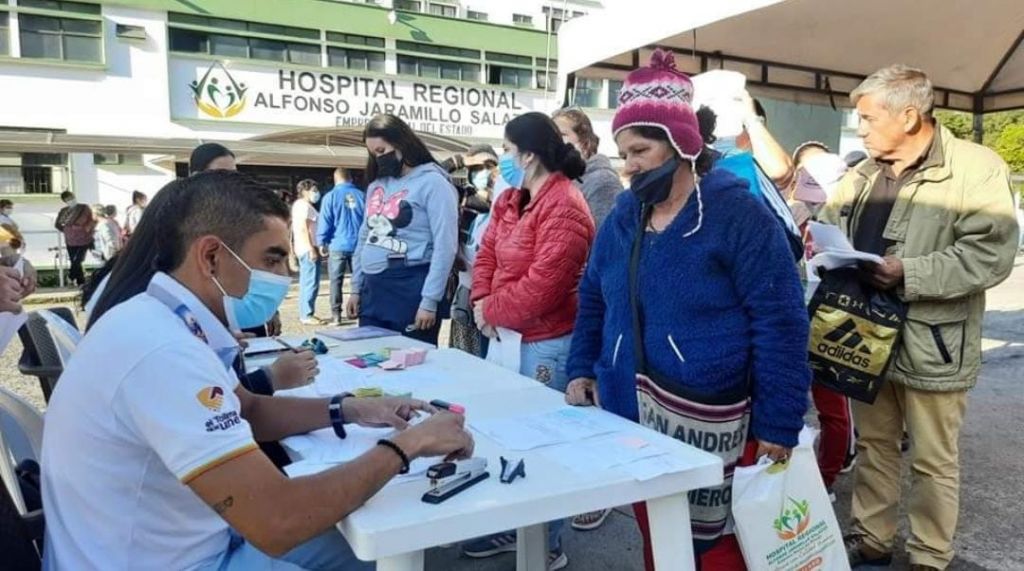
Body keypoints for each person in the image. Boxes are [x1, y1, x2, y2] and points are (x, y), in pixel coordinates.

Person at [40, 170, 474, 570]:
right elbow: (277, 520)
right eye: (271, 260)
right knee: (386, 543)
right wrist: (409, 445)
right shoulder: (163, 351)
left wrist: (352, 409)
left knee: (378, 542)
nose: (284, 275)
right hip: (177, 561)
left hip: (175, 543)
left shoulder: (158, 317)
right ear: (210, 257)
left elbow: (246, 409)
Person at [564, 50, 810, 570]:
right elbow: (593, 294)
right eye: (623, 152)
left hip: (712, 419)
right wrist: (583, 366)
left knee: (717, 546)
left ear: (681, 144)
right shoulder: (626, 215)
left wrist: (779, 421)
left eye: (640, 150)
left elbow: (781, 322)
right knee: (658, 532)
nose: (628, 165)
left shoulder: (738, 216)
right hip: (631, 409)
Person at [818, 65, 1019, 571]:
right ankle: (872, 541)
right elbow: (828, 221)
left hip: (935, 342)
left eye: (866, 118)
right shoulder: (863, 171)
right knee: (876, 445)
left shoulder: (976, 168)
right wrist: (823, 243)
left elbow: (990, 254)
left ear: (908, 116)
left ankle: (930, 557)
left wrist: (909, 271)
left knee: (933, 460)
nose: (859, 129)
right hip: (863, 332)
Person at [461, 112, 594, 569]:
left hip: (545, 341)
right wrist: (483, 302)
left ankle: (548, 544)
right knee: (504, 431)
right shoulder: (512, 199)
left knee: (539, 444)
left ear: (529, 154)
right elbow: (486, 255)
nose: (502, 158)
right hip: (504, 333)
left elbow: (546, 284)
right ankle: (509, 528)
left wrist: (491, 310)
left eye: (506, 148)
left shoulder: (566, 206)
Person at [347, 114, 458, 345]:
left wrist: (429, 301)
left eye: (381, 150)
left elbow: (445, 246)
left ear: (401, 143)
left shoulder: (434, 183)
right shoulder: (377, 185)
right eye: (373, 154)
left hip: (410, 286)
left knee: (411, 368)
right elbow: (364, 238)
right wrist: (356, 289)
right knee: (369, 361)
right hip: (373, 290)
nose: (378, 158)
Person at [449, 144, 504, 358]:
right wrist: (457, 161)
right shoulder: (466, 203)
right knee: (463, 359)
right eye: (474, 168)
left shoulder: (503, 207)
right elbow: (436, 175)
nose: (479, 172)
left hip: (489, 298)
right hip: (465, 292)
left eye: (486, 166)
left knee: (485, 356)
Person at [552, 108, 623, 229]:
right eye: (551, 136)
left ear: (584, 142)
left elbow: (606, 237)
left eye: (562, 135)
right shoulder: (561, 180)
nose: (554, 141)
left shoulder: (603, 182)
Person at [316, 168, 365, 326]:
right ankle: (359, 312)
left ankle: (336, 315)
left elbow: (325, 221)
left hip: (337, 244)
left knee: (335, 281)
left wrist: (321, 241)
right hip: (359, 244)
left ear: (335, 179)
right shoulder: (362, 195)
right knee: (359, 280)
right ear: (351, 179)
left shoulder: (329, 197)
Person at [292, 179, 325, 325]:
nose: (316, 193)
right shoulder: (304, 206)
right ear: (304, 191)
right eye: (313, 190)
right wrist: (312, 248)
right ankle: (307, 314)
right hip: (308, 247)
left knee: (306, 281)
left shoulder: (298, 205)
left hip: (303, 247)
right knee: (311, 281)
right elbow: (304, 228)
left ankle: (305, 312)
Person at [54, 190, 96, 286]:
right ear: (65, 201)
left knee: (78, 259)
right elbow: (57, 224)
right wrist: (67, 230)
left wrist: (86, 229)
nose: (71, 200)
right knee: (74, 260)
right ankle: (80, 281)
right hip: (70, 240)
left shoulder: (84, 208)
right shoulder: (63, 211)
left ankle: (71, 276)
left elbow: (92, 220)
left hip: (84, 239)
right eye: (68, 199)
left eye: (72, 197)